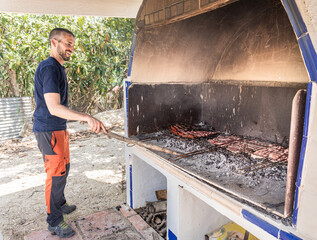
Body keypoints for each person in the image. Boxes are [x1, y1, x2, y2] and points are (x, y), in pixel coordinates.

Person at [33, 28, 107, 238]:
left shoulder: (58, 68)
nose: (71, 48)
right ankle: (54, 220)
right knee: (55, 175)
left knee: (64, 167)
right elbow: (53, 108)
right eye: (67, 43)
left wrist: (77, 118)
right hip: (48, 129)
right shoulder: (49, 68)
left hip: (58, 128)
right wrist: (86, 117)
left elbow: (58, 110)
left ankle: (60, 203)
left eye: (72, 44)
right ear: (53, 43)